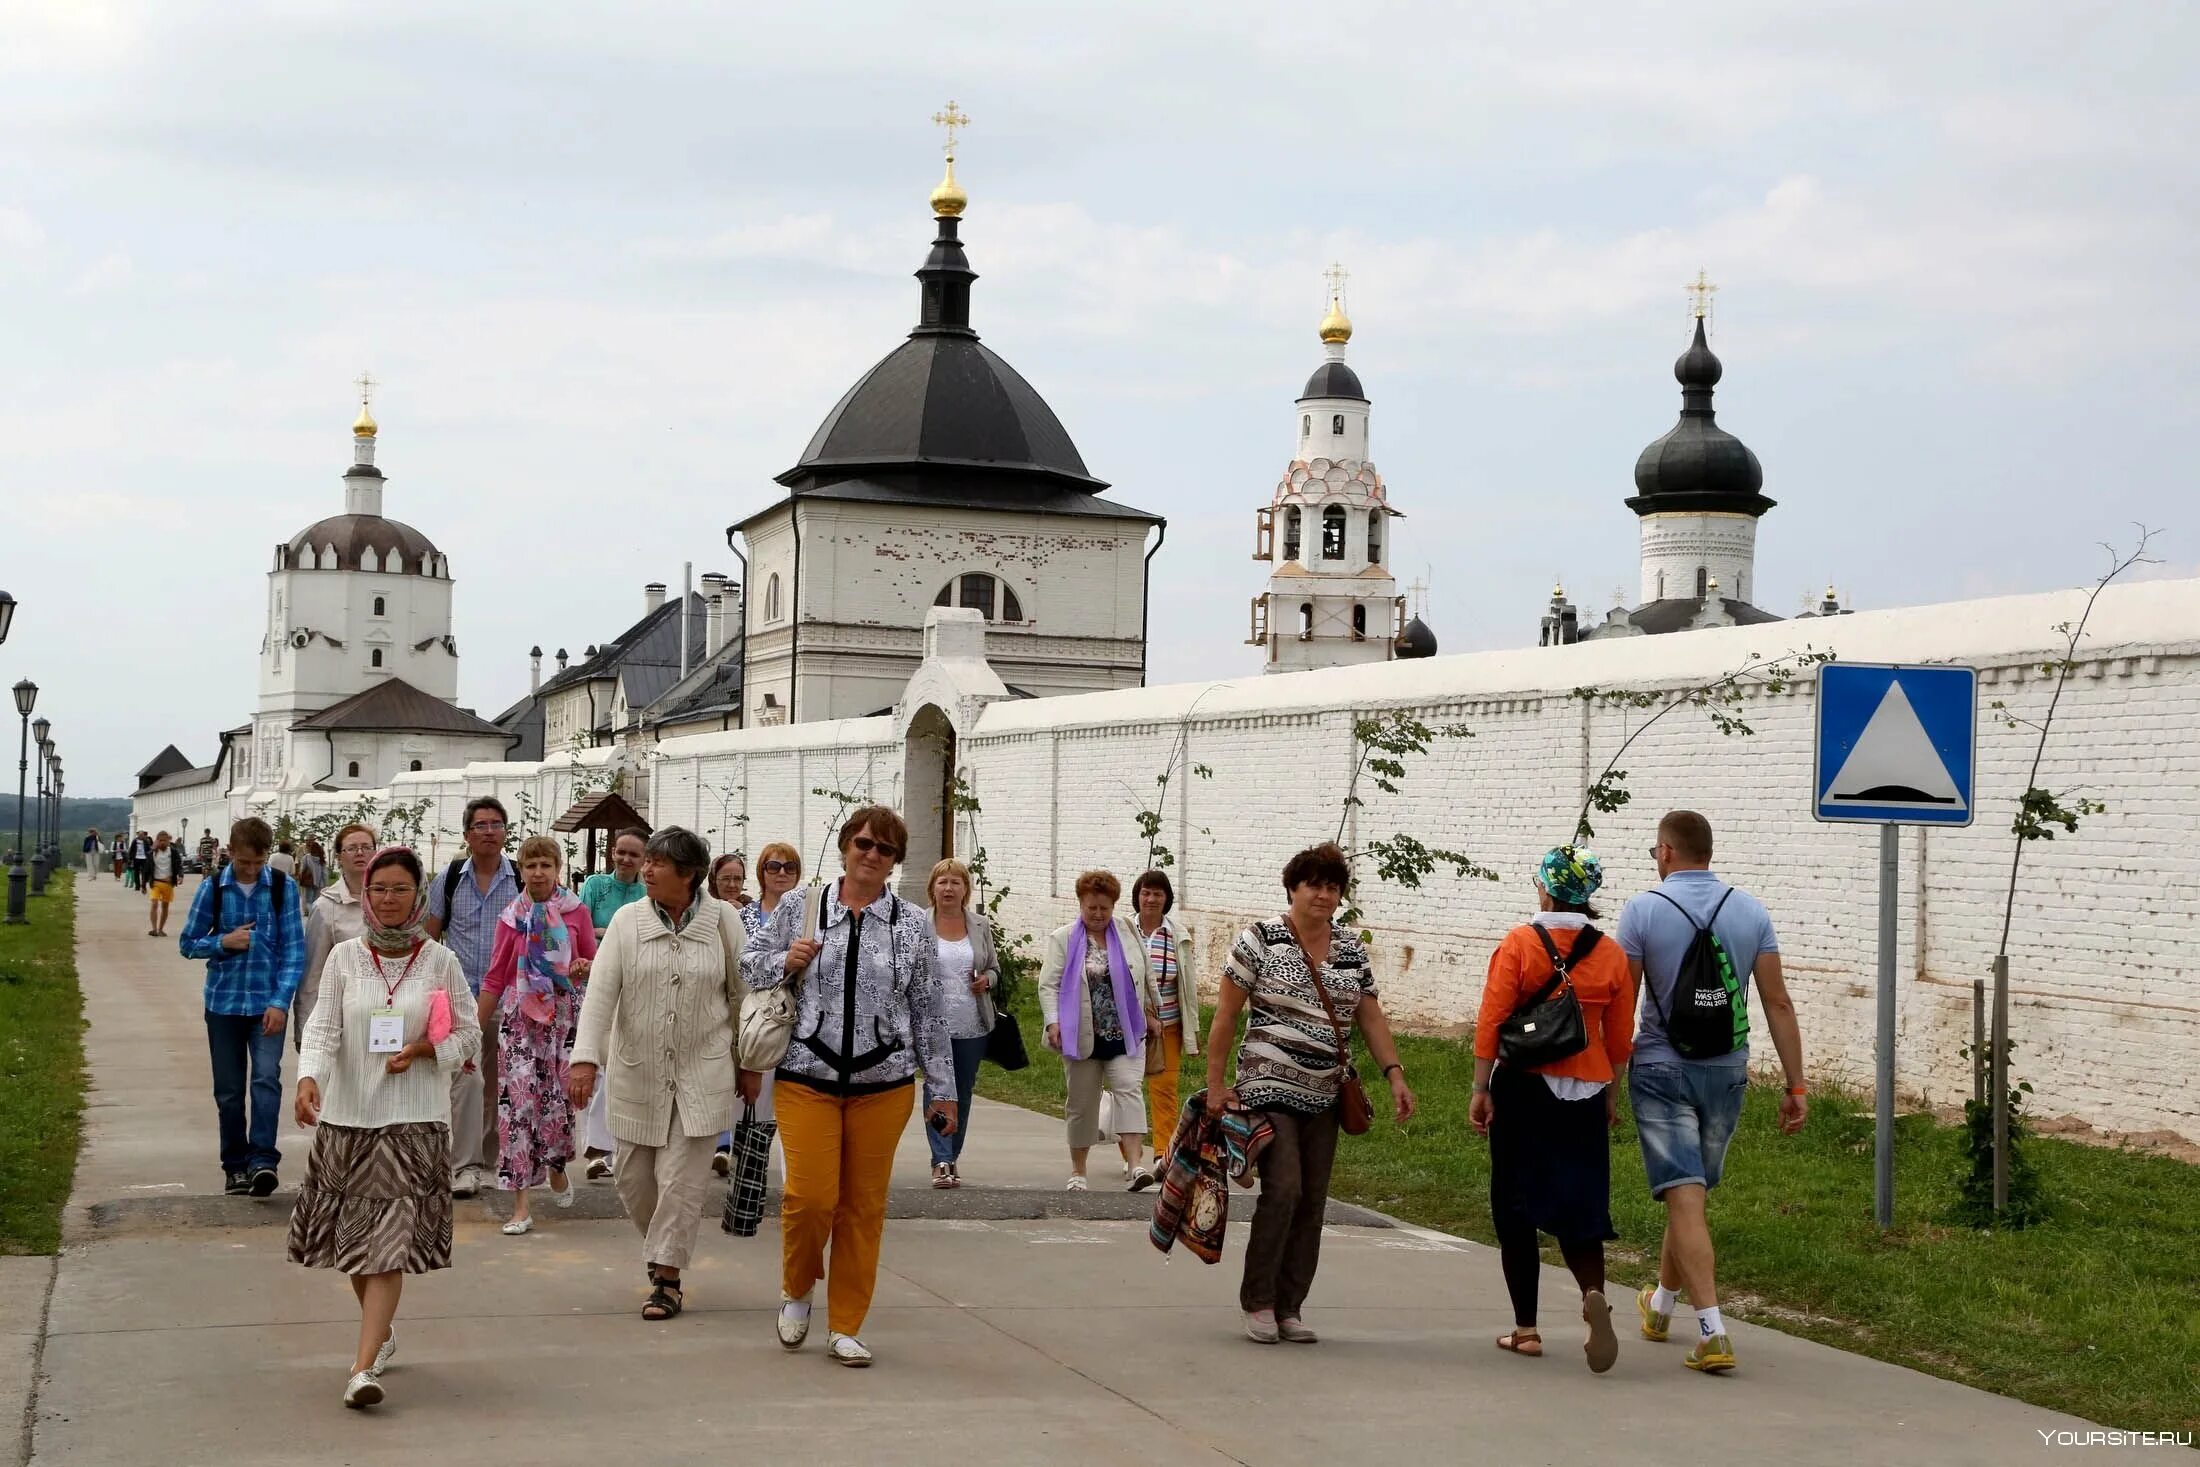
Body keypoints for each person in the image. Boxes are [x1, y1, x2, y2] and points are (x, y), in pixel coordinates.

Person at [744, 806, 956, 1366]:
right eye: (864, 844)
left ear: (895, 862)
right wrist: (783, 958)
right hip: (806, 1075)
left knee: (862, 1207)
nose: (872, 855)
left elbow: (930, 1010)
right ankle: (796, 1289)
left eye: (885, 850)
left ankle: (846, 1324)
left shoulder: (911, 923)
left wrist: (943, 1090)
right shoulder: (801, 906)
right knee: (809, 1198)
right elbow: (747, 963)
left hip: (883, 1084)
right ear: (845, 845)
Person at [289, 845, 482, 1410]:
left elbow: (467, 1036)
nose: (389, 900)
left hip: (414, 1123)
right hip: (349, 1121)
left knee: (387, 1250)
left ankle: (361, 1367)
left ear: (418, 895)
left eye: (400, 889)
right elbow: (323, 1027)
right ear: (365, 895)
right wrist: (308, 1079)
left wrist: (425, 1048)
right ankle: (382, 1334)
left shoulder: (440, 962)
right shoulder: (346, 957)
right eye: (379, 890)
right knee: (355, 1247)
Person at [1205, 841, 1416, 1345]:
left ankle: (1290, 1306)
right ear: (1293, 888)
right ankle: (1258, 1300)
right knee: (1285, 1189)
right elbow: (1227, 1015)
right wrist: (1217, 1086)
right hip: (1267, 1083)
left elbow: (1369, 1014)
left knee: (1313, 1201)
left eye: (1332, 886)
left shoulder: (1349, 948)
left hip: (1326, 1091)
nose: (1324, 895)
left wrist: (1395, 1073)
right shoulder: (1261, 940)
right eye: (1314, 885)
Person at [1619, 810, 1807, 1374]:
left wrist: (1605, 1083)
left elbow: (1620, 1003)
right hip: (1726, 1069)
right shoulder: (1750, 911)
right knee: (1691, 1194)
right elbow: (1776, 1002)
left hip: (1659, 1067)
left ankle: (1712, 1331)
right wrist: (1796, 1083)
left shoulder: (1644, 909)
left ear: (1668, 852)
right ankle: (1661, 1306)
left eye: (1657, 850)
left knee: (1684, 1194)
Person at [569, 827, 746, 1322]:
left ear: (689, 874)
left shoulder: (724, 921)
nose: (646, 870)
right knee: (633, 1179)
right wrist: (584, 1058)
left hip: (703, 1074)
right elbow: (601, 995)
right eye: (645, 861)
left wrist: (749, 1064)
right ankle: (662, 1250)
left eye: (658, 863)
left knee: (679, 1184)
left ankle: (667, 1278)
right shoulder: (627, 922)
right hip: (637, 1075)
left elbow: (744, 996)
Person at [1470, 845, 1635, 1371]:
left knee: (1514, 1201)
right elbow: (1620, 1036)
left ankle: (1526, 1329)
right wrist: (1610, 1091)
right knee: (1581, 1202)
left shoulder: (1520, 943)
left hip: (1524, 1083)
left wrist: (1481, 1087)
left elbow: (1492, 1019)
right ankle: (1592, 1293)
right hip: (1585, 1089)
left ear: (1543, 886)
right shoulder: (1610, 953)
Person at [177, 816, 307, 1197]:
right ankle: (234, 1164)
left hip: (267, 1004)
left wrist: (281, 1002)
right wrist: (222, 942)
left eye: (258, 861)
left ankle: (263, 1160)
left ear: (268, 855)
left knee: (266, 1080)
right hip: (224, 1004)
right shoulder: (213, 889)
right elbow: (188, 943)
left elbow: (294, 952)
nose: (251, 869)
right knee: (230, 1090)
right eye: (244, 862)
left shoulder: (283, 888)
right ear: (230, 852)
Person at [479, 837, 598, 1236]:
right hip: (519, 1020)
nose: (538, 873)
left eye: (546, 865)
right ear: (522, 869)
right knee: (517, 1107)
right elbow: (495, 975)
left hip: (563, 1018)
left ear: (558, 868)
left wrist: (582, 966)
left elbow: (593, 965)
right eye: (531, 865)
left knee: (560, 1103)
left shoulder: (576, 912)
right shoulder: (510, 917)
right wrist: (473, 1030)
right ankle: (520, 1205)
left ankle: (557, 1164)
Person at [1040, 870, 1162, 1193]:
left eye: (1104, 908)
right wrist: (1053, 1022)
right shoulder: (1063, 938)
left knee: (1129, 1093)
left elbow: (1145, 974)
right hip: (1081, 1033)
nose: (1098, 915)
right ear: (1081, 904)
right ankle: (1079, 1170)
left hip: (1124, 1031)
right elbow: (1048, 985)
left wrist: (1152, 1011)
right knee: (1082, 1104)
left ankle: (1136, 1165)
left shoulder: (1127, 933)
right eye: (1091, 908)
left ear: (1113, 906)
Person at [425, 795, 519, 1198]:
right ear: (466, 834)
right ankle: (464, 1165)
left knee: (499, 1085)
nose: (488, 831)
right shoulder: (447, 880)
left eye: (496, 824)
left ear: (505, 832)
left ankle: (491, 1161)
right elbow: (430, 937)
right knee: (464, 1078)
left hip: (509, 1000)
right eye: (480, 825)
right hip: (459, 1001)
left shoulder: (520, 880)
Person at [576, 825, 649, 1181]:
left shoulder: (646, 891)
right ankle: (596, 1149)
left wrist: (606, 933)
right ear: (612, 852)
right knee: (599, 1066)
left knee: (626, 1068)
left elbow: (644, 936)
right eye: (621, 851)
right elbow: (582, 929)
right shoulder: (593, 885)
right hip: (596, 983)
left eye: (634, 854)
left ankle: (620, 1149)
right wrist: (610, 935)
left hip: (634, 987)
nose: (625, 859)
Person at [924, 858, 1000, 1188]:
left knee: (963, 1094)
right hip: (932, 1025)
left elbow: (995, 969)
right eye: (943, 882)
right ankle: (940, 1158)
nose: (949, 888)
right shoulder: (919, 924)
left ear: (965, 890)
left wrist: (987, 980)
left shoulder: (980, 925)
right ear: (933, 889)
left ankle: (952, 1156)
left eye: (956, 882)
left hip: (972, 1024)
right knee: (937, 1091)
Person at [1131, 869, 1201, 1162]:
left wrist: (1193, 1029)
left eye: (1158, 894)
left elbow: (1188, 986)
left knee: (1164, 1091)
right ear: (1137, 896)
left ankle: (1163, 1155)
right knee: (1128, 1090)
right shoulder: (1123, 930)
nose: (1151, 899)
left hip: (1168, 1027)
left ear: (1167, 898)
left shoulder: (1176, 936)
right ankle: (1131, 1155)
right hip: (1128, 1027)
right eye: (1146, 893)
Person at [296, 823, 378, 1050]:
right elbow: (313, 973)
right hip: (343, 1020)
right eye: (352, 848)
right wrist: (304, 1029)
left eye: (366, 847)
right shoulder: (325, 907)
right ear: (339, 857)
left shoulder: (393, 900)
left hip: (387, 1017)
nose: (360, 853)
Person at [706, 851, 751, 1175]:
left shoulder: (750, 910)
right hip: (710, 1003)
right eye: (726, 879)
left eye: (737, 879)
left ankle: (726, 1142)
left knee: (736, 1074)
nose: (733, 885)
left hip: (739, 1004)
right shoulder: (704, 911)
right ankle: (720, 1143)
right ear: (714, 881)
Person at [146, 831, 184, 937]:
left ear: (168, 841)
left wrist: (180, 875)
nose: (162, 842)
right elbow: (146, 868)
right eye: (160, 840)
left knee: (165, 906)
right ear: (157, 841)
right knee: (154, 904)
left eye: (164, 840)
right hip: (156, 883)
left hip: (168, 883)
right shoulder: (152, 853)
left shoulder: (173, 852)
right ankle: (154, 929)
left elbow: (178, 865)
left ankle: (160, 929)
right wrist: (143, 884)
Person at [298, 839, 327, 911]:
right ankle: (314, 913)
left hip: (309, 881)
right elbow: (324, 873)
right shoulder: (321, 859)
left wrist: (301, 877)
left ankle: (310, 913)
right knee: (316, 899)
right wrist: (325, 883)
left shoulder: (306, 857)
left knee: (308, 899)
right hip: (319, 882)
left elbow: (302, 869)